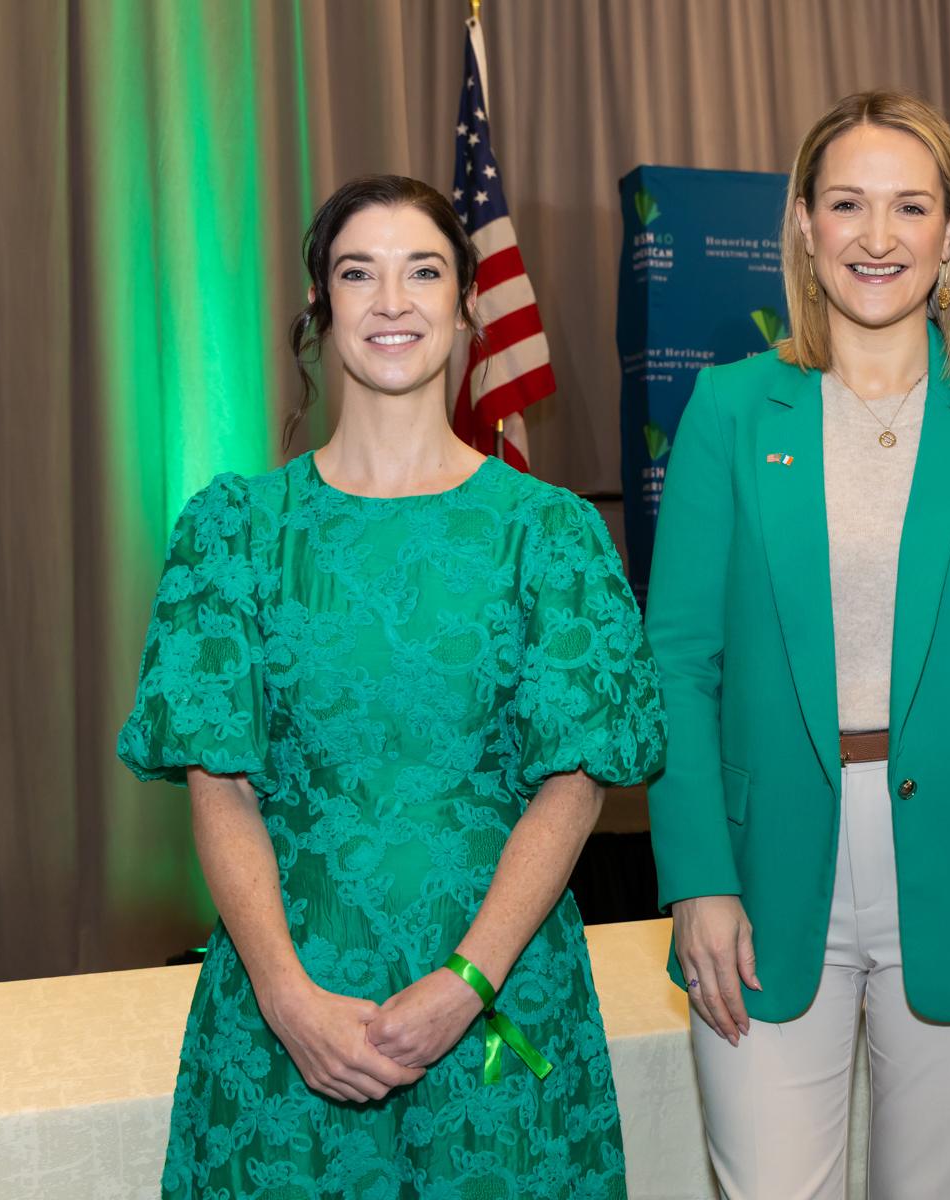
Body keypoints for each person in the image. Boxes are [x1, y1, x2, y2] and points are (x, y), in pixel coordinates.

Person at [117, 174, 662, 1198]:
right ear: (320, 308)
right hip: (289, 1021)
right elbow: (219, 788)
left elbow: (576, 786)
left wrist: (465, 982)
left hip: (497, 1004)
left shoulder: (551, 535)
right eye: (358, 273)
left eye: (424, 271)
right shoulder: (234, 532)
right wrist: (287, 1000)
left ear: (466, 307)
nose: (392, 301)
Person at [645, 90, 950, 1200]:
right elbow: (678, 665)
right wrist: (696, 877)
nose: (878, 236)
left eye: (910, 206)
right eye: (847, 203)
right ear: (804, 225)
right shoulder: (729, 409)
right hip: (762, 869)